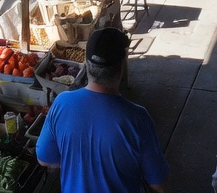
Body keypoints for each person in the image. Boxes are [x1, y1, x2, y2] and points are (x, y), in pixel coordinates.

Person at [37, 27, 169, 193]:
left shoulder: (62, 103)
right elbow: (159, 184)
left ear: (86, 64)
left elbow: (44, 159)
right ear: (121, 66)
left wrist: (77, 164)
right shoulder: (138, 118)